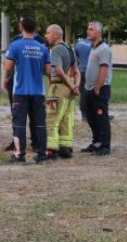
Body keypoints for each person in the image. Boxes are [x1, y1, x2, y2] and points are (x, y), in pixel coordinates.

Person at [4, 16, 51, 164]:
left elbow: (8, 67)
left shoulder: (15, 45)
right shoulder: (43, 48)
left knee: (19, 124)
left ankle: (19, 155)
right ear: (35, 29)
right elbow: (48, 71)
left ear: (21, 27)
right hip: (38, 92)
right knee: (40, 124)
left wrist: (6, 78)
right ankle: (42, 155)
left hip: (20, 91)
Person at [44, 24, 80, 159]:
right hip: (69, 90)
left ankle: (50, 149)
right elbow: (77, 72)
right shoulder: (70, 49)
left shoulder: (56, 49)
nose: (46, 36)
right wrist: (75, 86)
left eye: (47, 33)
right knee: (67, 118)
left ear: (55, 34)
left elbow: (58, 70)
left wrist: (71, 86)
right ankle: (66, 148)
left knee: (52, 117)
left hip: (58, 88)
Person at [81, 21, 112, 156]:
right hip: (89, 88)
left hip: (100, 88)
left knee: (101, 117)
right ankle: (96, 142)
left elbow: (104, 70)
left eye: (91, 29)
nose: (88, 31)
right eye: (88, 29)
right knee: (91, 117)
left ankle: (104, 146)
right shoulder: (93, 48)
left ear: (99, 32)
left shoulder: (104, 49)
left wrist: (98, 88)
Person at [74, 35, 92, 121]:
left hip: (80, 70)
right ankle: (91, 113)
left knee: (83, 92)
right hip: (90, 70)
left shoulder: (79, 43)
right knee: (91, 92)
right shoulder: (93, 44)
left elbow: (75, 55)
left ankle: (84, 114)